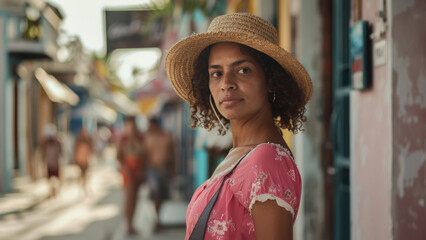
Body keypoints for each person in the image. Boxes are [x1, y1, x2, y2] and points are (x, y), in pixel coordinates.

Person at [165, 12, 313, 239]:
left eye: (243, 70)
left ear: (270, 80)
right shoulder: (243, 154)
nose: (226, 84)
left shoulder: (266, 160)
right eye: (216, 73)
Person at [116, 116, 147, 235]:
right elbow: (119, 158)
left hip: (138, 172)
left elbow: (144, 156)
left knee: (135, 198)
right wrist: (127, 170)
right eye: (129, 126)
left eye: (133, 125)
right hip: (127, 172)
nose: (132, 128)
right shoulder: (122, 139)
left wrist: (142, 170)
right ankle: (128, 224)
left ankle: (131, 223)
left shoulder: (141, 138)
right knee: (128, 198)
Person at [145, 117, 175, 230]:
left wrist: (173, 169)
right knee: (155, 196)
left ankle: (157, 218)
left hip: (165, 169)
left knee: (162, 196)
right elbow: (145, 155)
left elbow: (173, 153)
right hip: (153, 169)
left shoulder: (167, 136)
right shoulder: (148, 137)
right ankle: (156, 220)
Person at [41, 123, 62, 198]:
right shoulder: (46, 143)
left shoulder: (58, 142)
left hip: (55, 163)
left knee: (55, 179)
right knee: (50, 179)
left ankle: (54, 191)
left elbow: (61, 152)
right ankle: (52, 191)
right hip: (50, 163)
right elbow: (44, 153)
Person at [74, 127, 93, 195]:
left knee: (85, 174)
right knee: (81, 174)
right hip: (80, 160)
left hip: (86, 160)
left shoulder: (88, 140)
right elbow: (76, 151)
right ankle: (81, 186)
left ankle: (84, 186)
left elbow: (91, 149)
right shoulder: (78, 141)